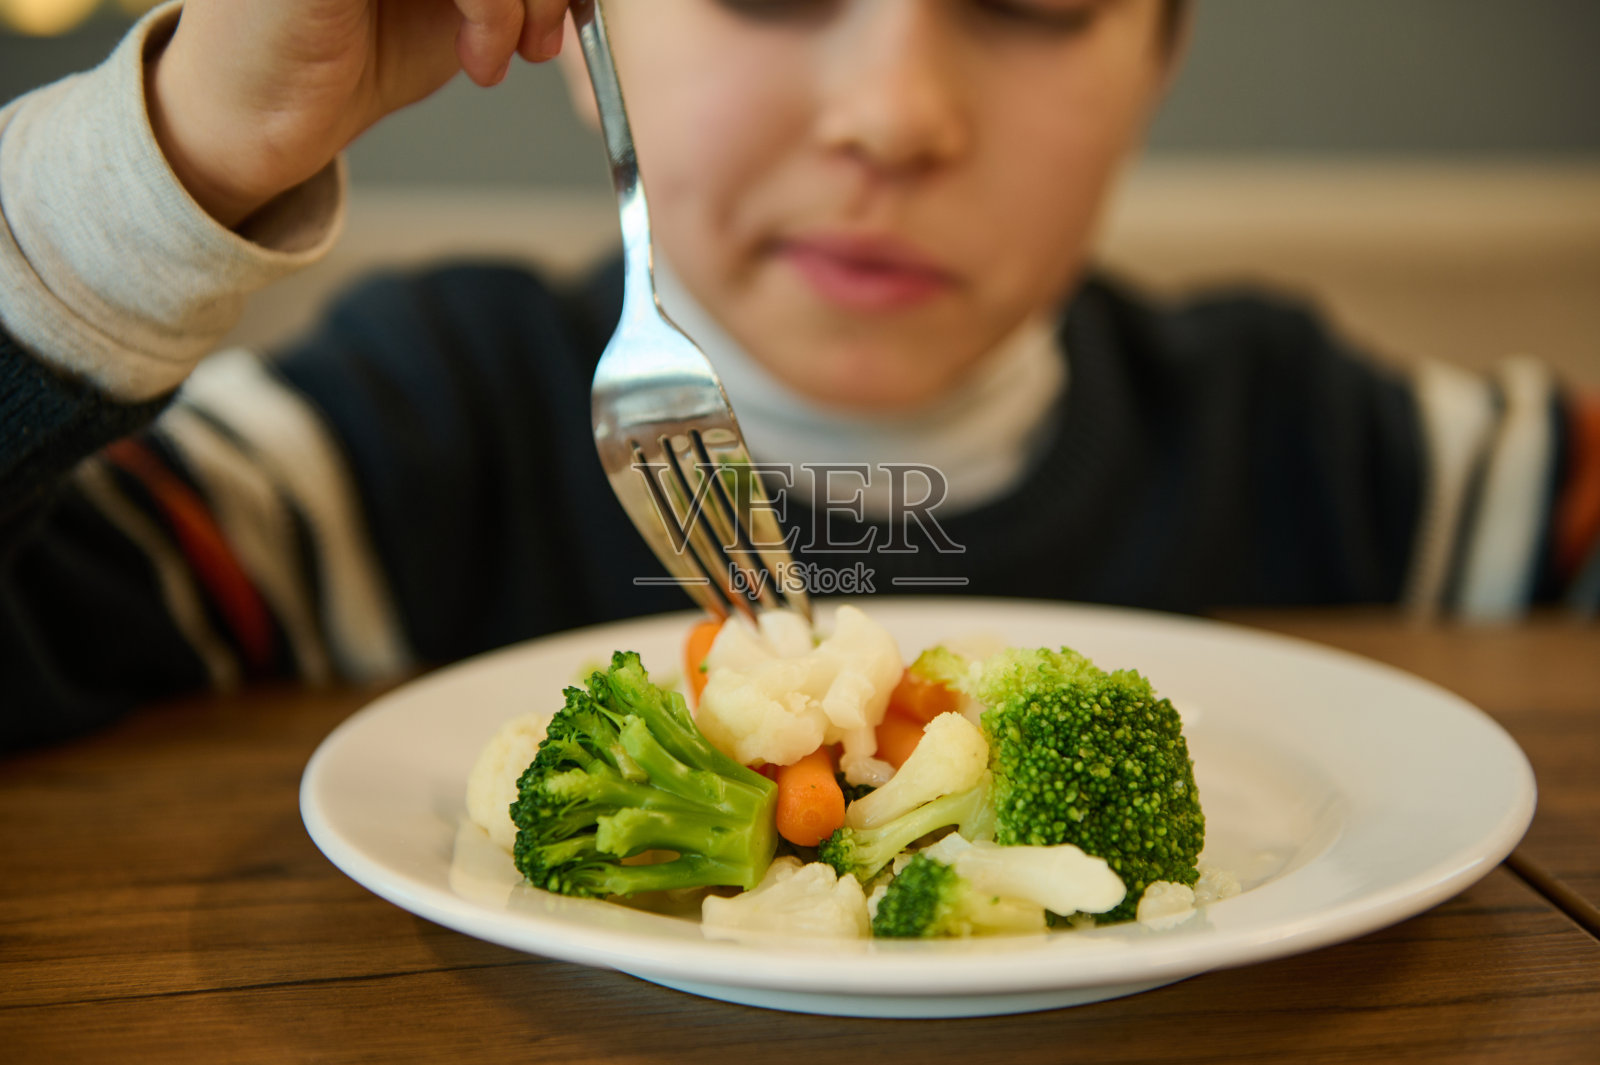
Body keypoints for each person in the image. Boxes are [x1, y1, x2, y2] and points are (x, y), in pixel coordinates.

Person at [1, 0, 1595, 750]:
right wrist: (167, 174)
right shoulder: (388, 443)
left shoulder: (1328, 445)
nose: (896, 111)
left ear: (1161, 62)